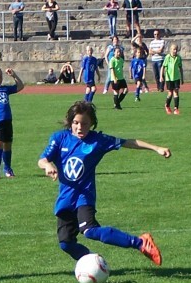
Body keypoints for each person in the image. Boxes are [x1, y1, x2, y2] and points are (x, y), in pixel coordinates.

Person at [37, 100, 168, 270]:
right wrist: (47, 165)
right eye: (76, 123)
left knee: (90, 230)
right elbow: (42, 159)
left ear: (91, 123)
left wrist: (156, 148)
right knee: (66, 244)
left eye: (84, 123)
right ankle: (93, 264)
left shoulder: (97, 141)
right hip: (65, 199)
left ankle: (141, 242)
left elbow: (129, 142)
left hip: (84, 196)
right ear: (70, 122)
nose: (79, 127)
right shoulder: (59, 138)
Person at [162, 43, 183, 114]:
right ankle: (167, 105)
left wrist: (182, 78)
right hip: (169, 78)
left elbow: (180, 68)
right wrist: (161, 76)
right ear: (170, 50)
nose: (175, 51)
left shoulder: (179, 58)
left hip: (176, 78)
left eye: (176, 49)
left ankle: (176, 108)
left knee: (176, 92)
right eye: (174, 49)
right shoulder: (167, 57)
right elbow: (163, 66)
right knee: (170, 93)